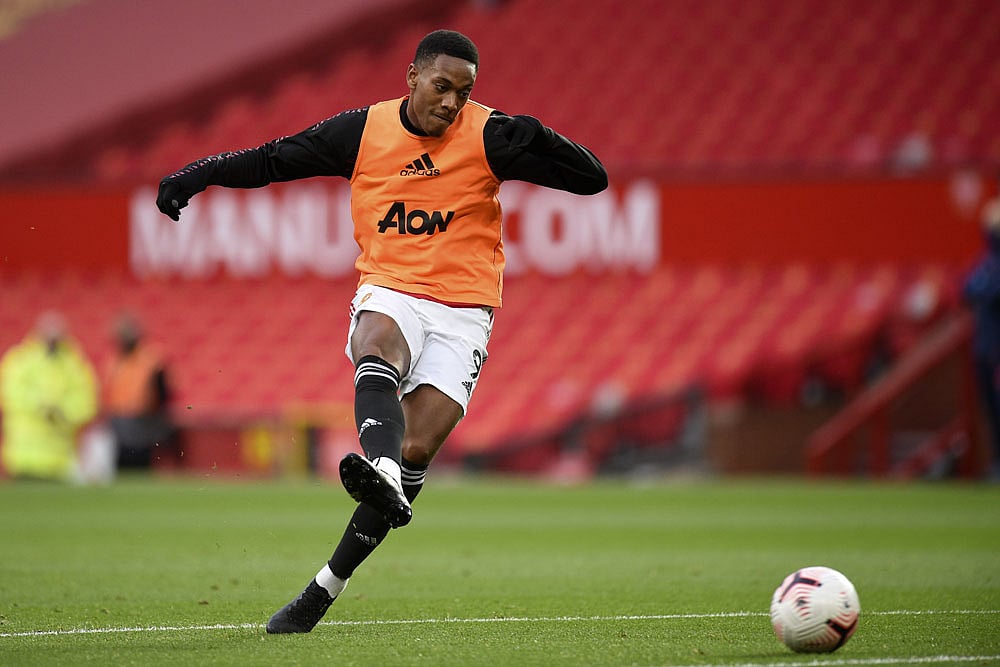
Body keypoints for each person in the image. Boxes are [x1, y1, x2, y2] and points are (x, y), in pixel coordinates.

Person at [156, 29, 607, 633]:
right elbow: (273, 159)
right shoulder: (363, 132)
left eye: (463, 92)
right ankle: (385, 471)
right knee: (378, 344)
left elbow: (593, 179)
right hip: (392, 288)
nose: (451, 102)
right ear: (412, 77)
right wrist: (199, 173)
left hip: (464, 310)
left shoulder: (488, 135)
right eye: (441, 87)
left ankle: (323, 588)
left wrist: (544, 137)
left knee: (417, 448)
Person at [0, 311, 99, 482]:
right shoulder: (20, 361)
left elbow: (86, 402)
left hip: (61, 459)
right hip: (22, 457)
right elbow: (10, 392)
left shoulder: (74, 366)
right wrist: (41, 406)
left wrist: (62, 412)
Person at [103, 313, 178, 471]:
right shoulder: (114, 361)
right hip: (119, 422)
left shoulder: (151, 359)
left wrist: (155, 416)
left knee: (142, 465)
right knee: (123, 468)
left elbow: (164, 392)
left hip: (144, 422)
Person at [963, 196, 1000, 479]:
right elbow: (968, 288)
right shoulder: (986, 263)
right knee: (989, 408)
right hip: (984, 347)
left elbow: (985, 291)